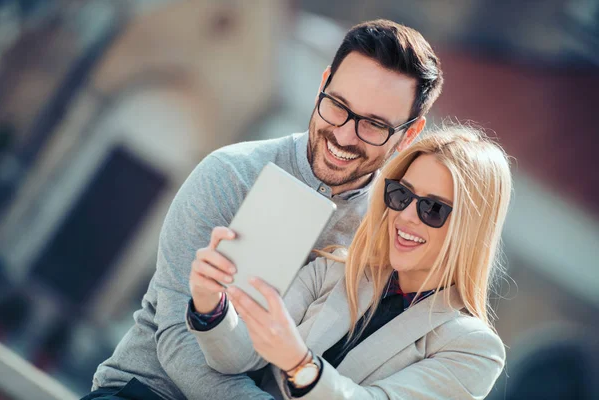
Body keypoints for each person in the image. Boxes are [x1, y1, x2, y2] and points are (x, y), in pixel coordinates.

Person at [85, 19, 444, 400]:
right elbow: (177, 339)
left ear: (408, 134)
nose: (343, 135)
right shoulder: (231, 173)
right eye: (337, 106)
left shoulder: (390, 233)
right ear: (322, 84)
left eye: (373, 126)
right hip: (148, 392)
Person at [189, 126, 512, 399]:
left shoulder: (474, 349)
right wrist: (211, 304)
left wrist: (300, 364)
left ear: (470, 229)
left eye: (433, 209)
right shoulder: (336, 269)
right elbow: (239, 356)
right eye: (401, 195)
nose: (406, 216)